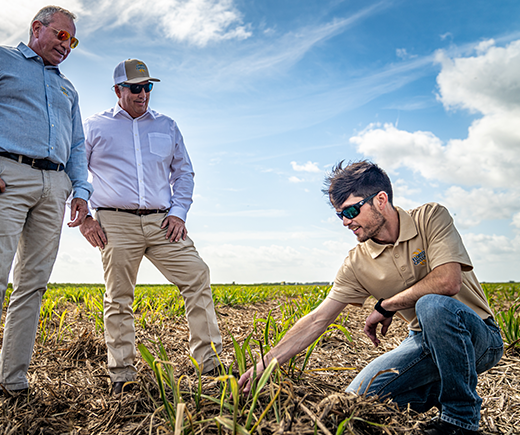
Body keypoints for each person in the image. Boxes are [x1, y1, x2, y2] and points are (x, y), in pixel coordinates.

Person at [238, 160, 503, 435]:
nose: (345, 221)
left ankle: (460, 421)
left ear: (380, 200)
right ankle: (440, 388)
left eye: (351, 210)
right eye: (339, 214)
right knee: (356, 399)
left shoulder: (430, 217)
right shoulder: (356, 262)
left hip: (478, 337)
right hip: (422, 341)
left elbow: (447, 281)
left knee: (432, 304)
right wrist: (265, 364)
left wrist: (387, 305)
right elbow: (319, 318)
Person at [79, 59, 222, 395]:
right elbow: (76, 172)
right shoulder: (94, 126)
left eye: (148, 87)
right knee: (118, 297)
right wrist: (85, 218)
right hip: (114, 221)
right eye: (135, 88)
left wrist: (179, 213)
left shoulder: (167, 126)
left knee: (197, 274)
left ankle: (209, 361)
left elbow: (183, 173)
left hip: (163, 221)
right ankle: (122, 375)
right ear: (118, 90)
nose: (143, 94)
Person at [0, 6, 91, 395]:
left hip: (55, 186)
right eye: (61, 36)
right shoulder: (4, 60)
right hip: (9, 176)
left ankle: (12, 380)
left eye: (72, 41)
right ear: (37, 28)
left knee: (32, 284)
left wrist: (81, 190)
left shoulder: (68, 88)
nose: (66, 46)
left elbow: (76, 144)